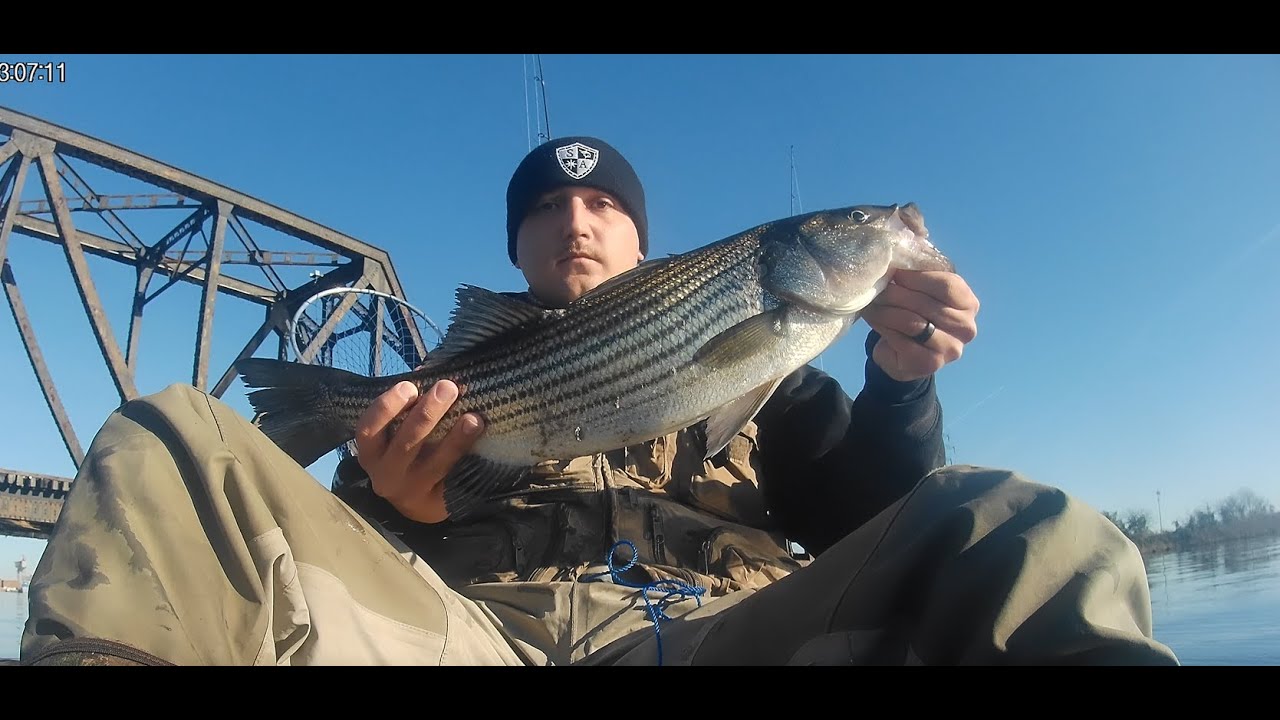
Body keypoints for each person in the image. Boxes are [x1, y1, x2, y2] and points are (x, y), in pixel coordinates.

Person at [19, 136, 1179, 666]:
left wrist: (898, 384)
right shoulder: (439, 382)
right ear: (516, 251)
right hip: (468, 637)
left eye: (603, 210)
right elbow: (338, 565)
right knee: (175, 432)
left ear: (640, 237)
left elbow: (870, 520)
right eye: (544, 213)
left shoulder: (780, 369)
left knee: (1022, 526)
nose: (575, 223)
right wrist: (401, 508)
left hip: (727, 632)